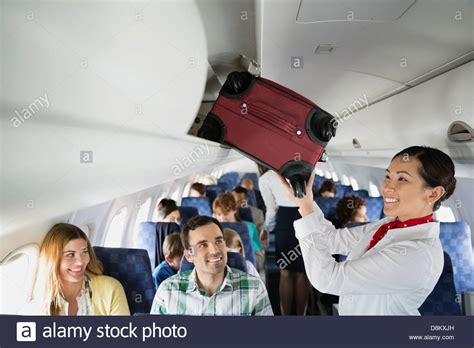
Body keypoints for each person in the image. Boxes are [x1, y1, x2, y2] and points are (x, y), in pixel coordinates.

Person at [281, 146, 455, 315]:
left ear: (433, 194)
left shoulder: (418, 254)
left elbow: (329, 279)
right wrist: (306, 203)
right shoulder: (387, 225)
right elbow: (331, 239)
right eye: (387, 176)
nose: (387, 187)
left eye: (402, 179)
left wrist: (306, 207)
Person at [150, 216, 273, 315]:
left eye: (219, 241)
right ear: (188, 256)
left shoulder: (254, 288)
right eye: (203, 245)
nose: (215, 250)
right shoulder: (167, 292)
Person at [31, 223, 130, 315]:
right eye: (70, 255)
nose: (81, 262)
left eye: (84, 252)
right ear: (53, 259)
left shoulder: (110, 289)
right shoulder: (40, 301)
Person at [259, 169, 310, 315]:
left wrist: (266, 228)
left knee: (285, 271)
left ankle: (285, 315)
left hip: (285, 220)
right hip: (305, 215)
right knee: (302, 272)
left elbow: (271, 210)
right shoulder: (304, 169)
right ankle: (302, 315)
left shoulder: (267, 177)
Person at [212, 193, 263, 274]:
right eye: (218, 215)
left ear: (235, 210)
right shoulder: (212, 231)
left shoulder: (249, 227)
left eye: (226, 214)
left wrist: (245, 262)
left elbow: (259, 257)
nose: (222, 218)